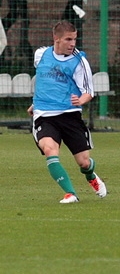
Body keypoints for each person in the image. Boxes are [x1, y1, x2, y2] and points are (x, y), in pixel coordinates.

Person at [28, 20, 107, 204]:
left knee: (83, 162)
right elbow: (42, 80)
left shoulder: (80, 61)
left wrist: (81, 100)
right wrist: (35, 103)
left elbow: (89, 91)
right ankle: (70, 193)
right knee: (50, 150)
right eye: (68, 39)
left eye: (74, 39)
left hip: (70, 116)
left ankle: (91, 176)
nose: (72, 44)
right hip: (44, 116)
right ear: (56, 39)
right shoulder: (40, 55)